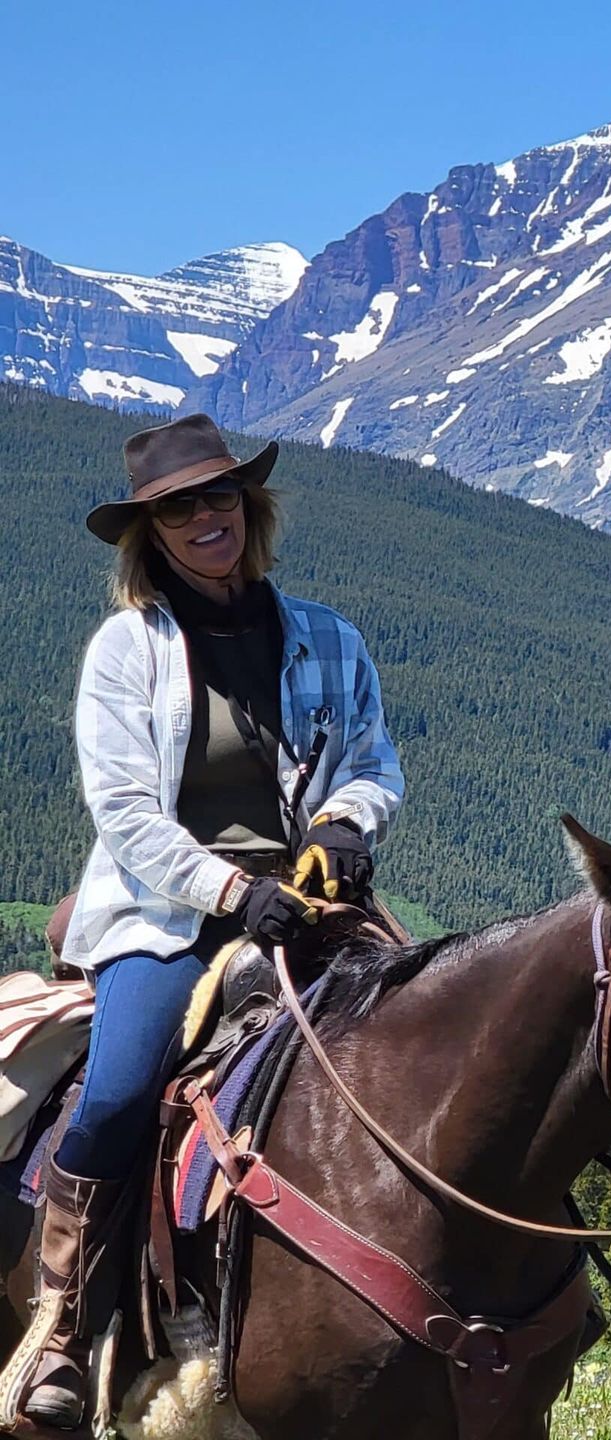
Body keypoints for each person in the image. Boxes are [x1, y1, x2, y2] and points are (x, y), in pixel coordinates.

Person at [19, 414, 405, 1430]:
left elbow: (372, 762)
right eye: (181, 507)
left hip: (313, 902)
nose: (207, 517)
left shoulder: (327, 636)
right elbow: (128, 818)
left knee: (453, 1034)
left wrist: (345, 821)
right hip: (164, 915)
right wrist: (237, 897)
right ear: (151, 531)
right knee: (115, 1092)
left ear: (249, 505)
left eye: (220, 496)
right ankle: (59, 1329)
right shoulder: (126, 652)